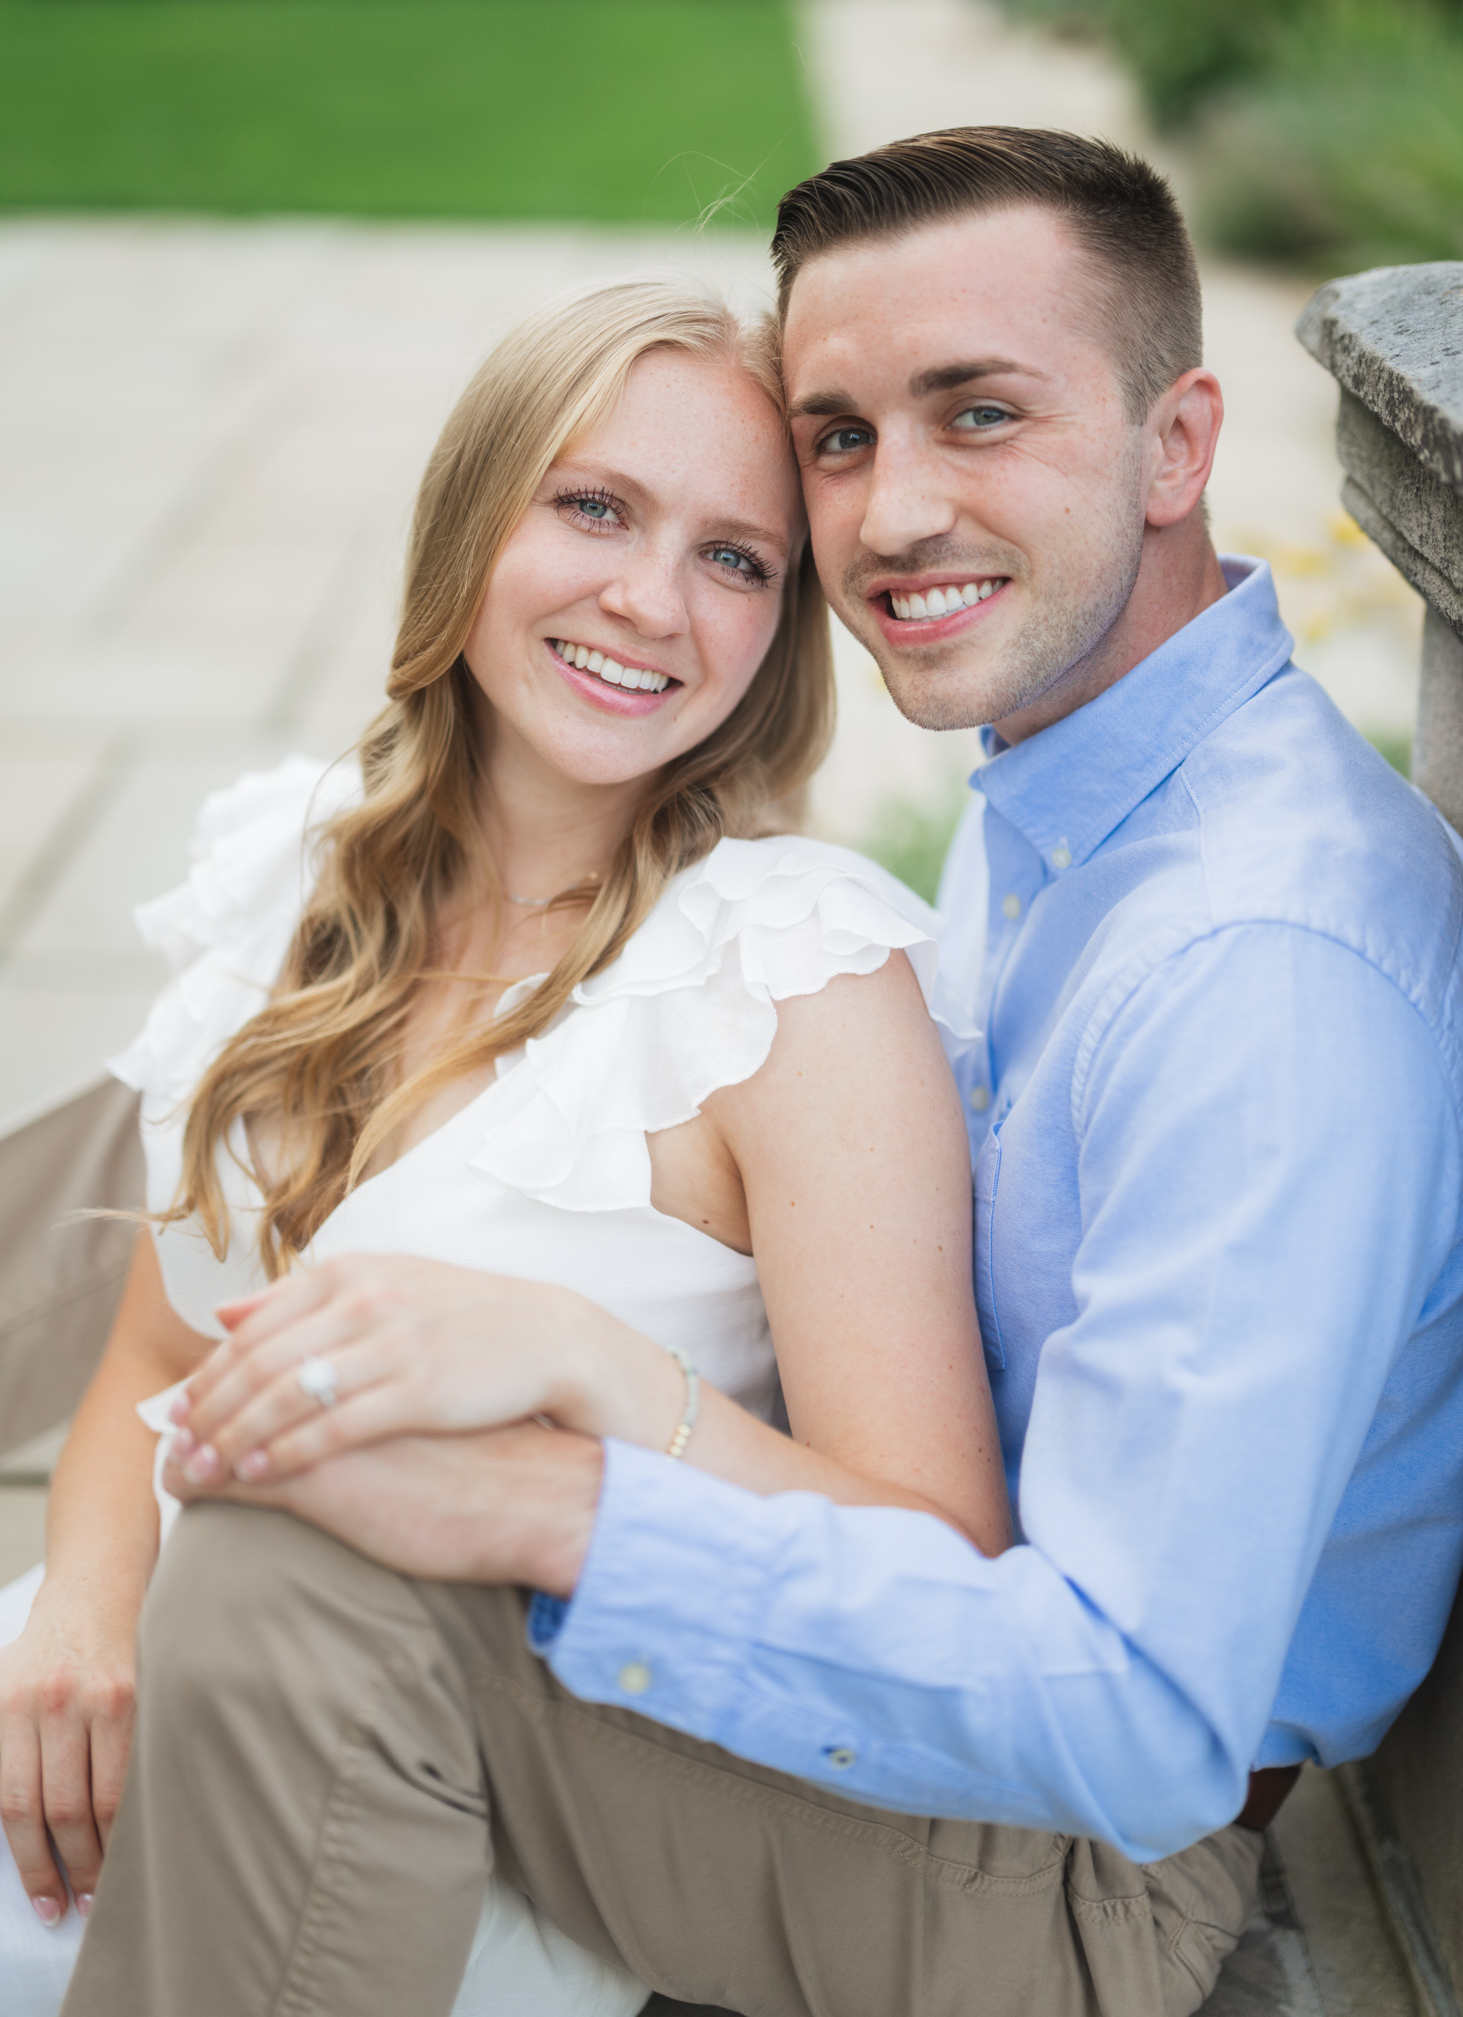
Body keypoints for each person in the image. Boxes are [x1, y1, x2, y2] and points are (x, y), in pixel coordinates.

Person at [42, 127, 1463, 2017]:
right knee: (103, 1181)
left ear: (1181, 443)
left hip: (1069, 1866)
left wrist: (563, 1473)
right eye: (846, 438)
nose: (887, 519)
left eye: (979, 413)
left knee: (315, 1537)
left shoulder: (1260, 969)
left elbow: (1134, 1725)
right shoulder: (1077, 781)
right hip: (929, 1691)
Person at [0, 278, 1013, 2017]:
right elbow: (158, 1351)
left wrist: (593, 1366)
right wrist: (81, 1615)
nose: (648, 599)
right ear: (475, 515)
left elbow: (942, 1564)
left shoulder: (787, 977)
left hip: (418, 1799)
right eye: (595, 506)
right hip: (122, 1691)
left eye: (736, 558)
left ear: (785, 623)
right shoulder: (309, 867)